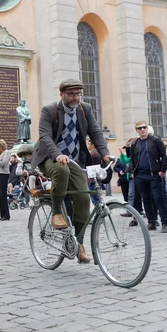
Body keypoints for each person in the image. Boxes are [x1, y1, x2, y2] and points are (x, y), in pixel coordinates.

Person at [30, 78, 110, 263]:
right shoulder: (50, 110)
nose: (75, 98)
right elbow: (45, 136)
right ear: (62, 95)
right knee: (62, 171)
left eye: (78, 94)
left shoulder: (85, 109)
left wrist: (105, 154)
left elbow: (95, 132)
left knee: (83, 197)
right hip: (50, 157)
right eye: (71, 94)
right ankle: (57, 212)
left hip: (74, 160)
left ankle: (79, 243)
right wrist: (57, 154)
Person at [128, 120, 167, 233]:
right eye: (140, 128)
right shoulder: (135, 144)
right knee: (145, 199)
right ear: (137, 130)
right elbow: (132, 159)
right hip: (140, 175)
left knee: (158, 198)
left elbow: (164, 156)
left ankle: (164, 223)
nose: (142, 130)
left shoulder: (155, 140)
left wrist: (162, 170)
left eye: (144, 127)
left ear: (147, 128)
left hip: (154, 174)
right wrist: (132, 171)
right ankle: (151, 222)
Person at [0, 139, 11, 221]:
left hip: (3, 174)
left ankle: (6, 215)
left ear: (2, 146)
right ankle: (2, 214)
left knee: (3, 195)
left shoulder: (6, 152)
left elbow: (3, 163)